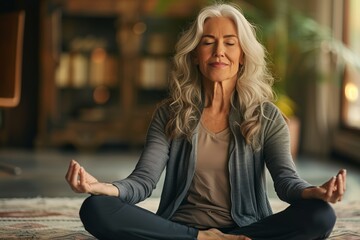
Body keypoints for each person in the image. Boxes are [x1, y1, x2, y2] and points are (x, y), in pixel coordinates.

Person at [66, 3, 346, 240]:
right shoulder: (170, 113)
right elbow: (143, 181)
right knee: (96, 209)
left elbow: (286, 182)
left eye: (229, 43)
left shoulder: (266, 116)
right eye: (208, 42)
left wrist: (314, 192)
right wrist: (101, 188)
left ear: (243, 57)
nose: (219, 52)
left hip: (249, 227)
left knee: (320, 215)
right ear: (195, 56)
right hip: (181, 229)